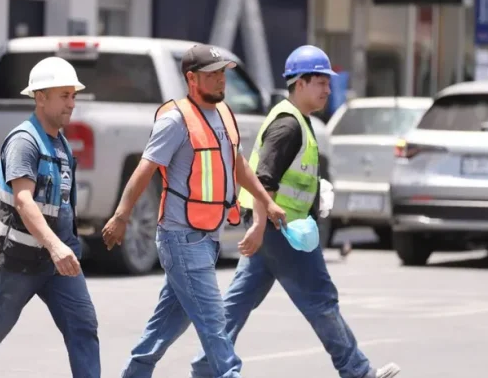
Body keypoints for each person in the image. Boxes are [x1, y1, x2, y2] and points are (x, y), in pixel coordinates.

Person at [188, 45, 401, 378]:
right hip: (280, 228)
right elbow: (264, 180)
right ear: (299, 83)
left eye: (328, 83)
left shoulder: (298, 120)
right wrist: (259, 227)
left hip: (274, 227)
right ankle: (358, 372)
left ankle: (205, 367)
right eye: (321, 82)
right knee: (320, 299)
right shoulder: (288, 125)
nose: (328, 90)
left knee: (238, 302)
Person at [101, 44, 287, 378]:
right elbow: (144, 169)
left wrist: (267, 201)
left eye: (222, 74)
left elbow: (239, 165)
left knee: (164, 328)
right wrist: (121, 215)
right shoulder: (175, 121)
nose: (220, 81)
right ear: (191, 78)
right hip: (180, 238)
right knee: (214, 322)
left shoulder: (224, 114)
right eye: (212, 75)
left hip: (208, 235)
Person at [0, 56, 100, 378]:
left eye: (73, 96)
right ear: (40, 97)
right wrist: (56, 247)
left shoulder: (59, 142)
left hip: (57, 262)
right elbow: (23, 201)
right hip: (22, 259)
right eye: (64, 96)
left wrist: (65, 246)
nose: (72, 104)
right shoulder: (24, 141)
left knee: (83, 326)